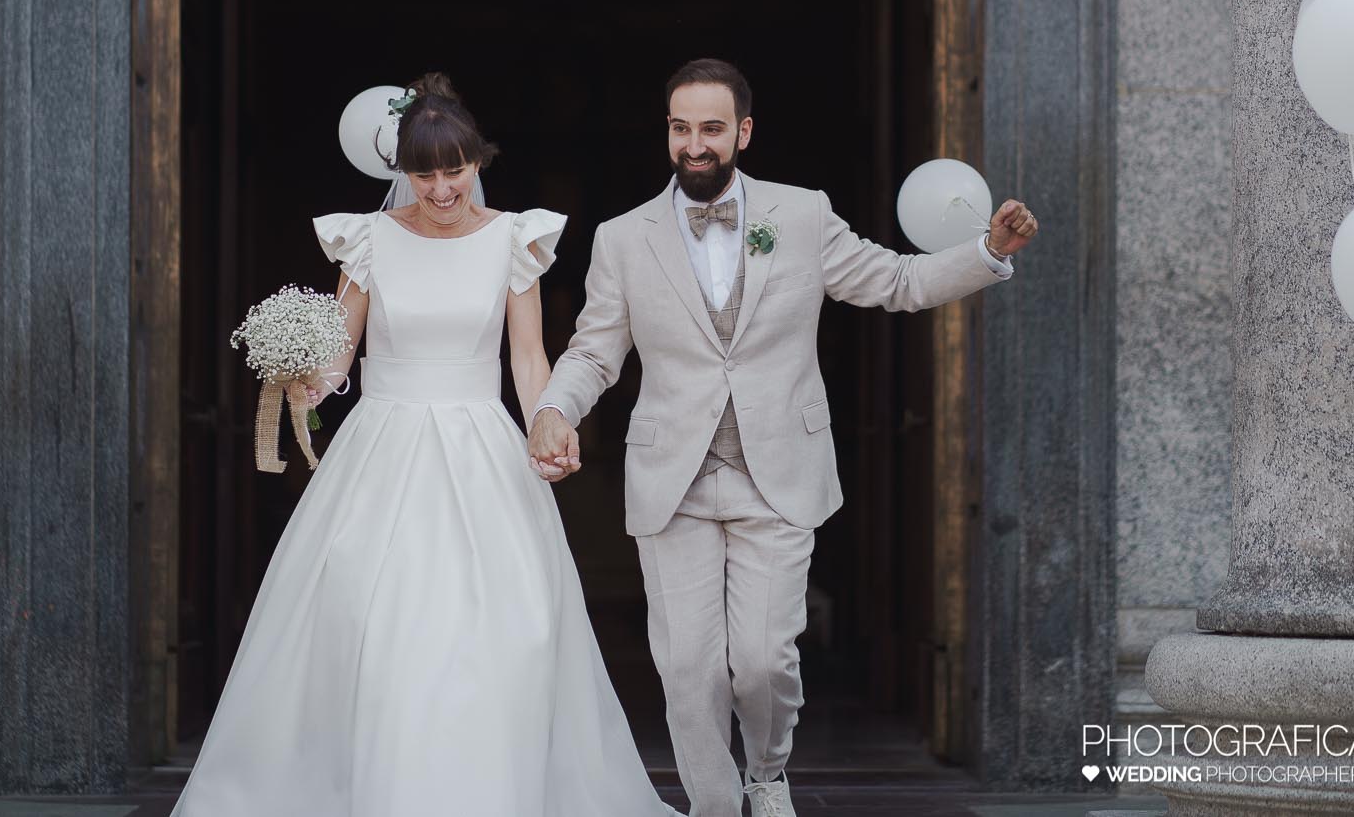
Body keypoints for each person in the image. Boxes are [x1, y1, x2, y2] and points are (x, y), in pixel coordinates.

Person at [529, 58, 1039, 817]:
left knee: (763, 661)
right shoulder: (623, 238)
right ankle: (713, 805)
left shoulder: (801, 214)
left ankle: (767, 775)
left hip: (780, 472)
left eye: (710, 128)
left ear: (743, 131)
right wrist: (554, 408)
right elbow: (595, 351)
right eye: (680, 128)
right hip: (673, 478)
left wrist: (987, 252)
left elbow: (897, 281)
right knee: (689, 668)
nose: (694, 145)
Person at [170, 73, 677, 817]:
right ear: (402, 172)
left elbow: (527, 357)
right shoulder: (368, 240)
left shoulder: (514, 239)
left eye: (455, 170)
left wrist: (548, 420)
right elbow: (340, 356)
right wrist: (304, 381)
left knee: (507, 625)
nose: (442, 189)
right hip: (383, 444)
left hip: (480, 446)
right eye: (424, 174)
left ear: (478, 161)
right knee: (369, 618)